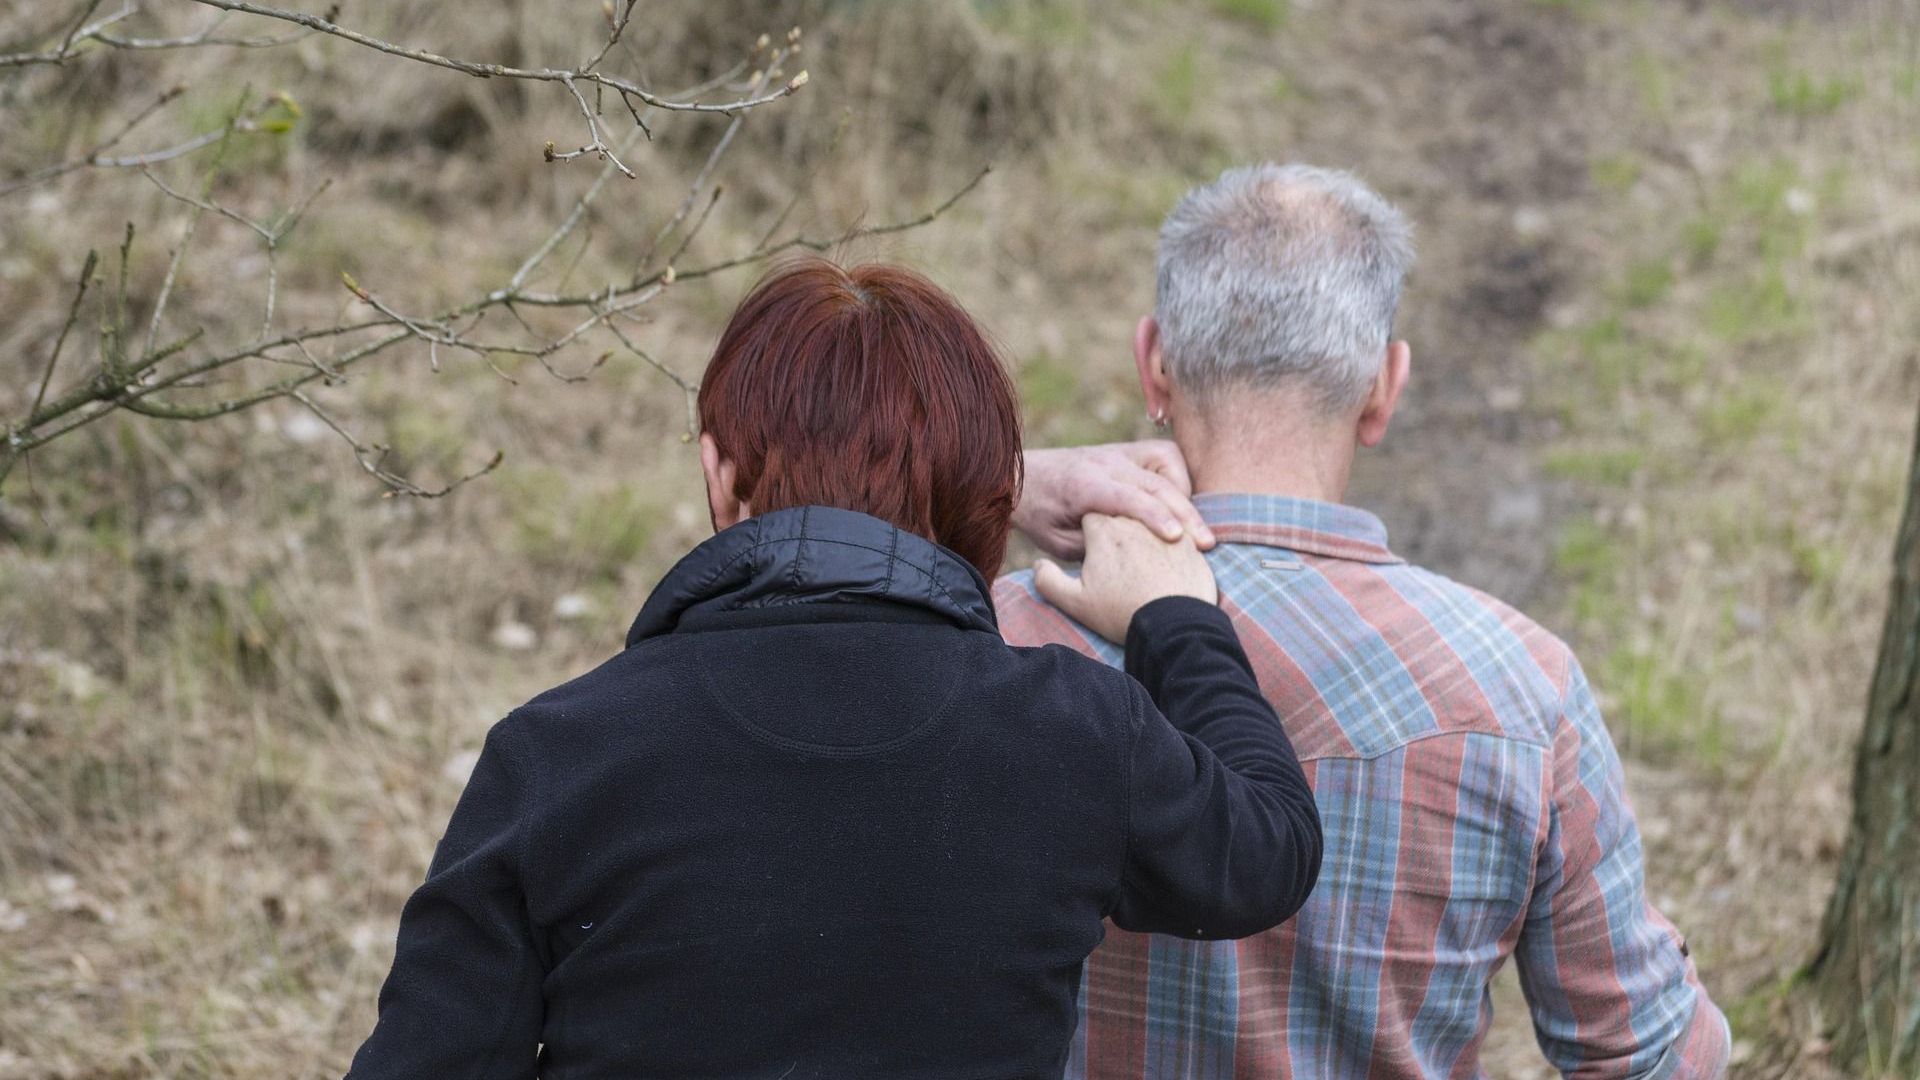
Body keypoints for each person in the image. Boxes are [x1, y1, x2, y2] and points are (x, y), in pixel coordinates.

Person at [343, 258, 1322, 1079]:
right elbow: (1270, 851)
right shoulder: (1071, 733)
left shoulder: (561, 753)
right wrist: (1176, 618)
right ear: (990, 496)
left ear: (720, 473)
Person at [998, 164, 1731, 1079]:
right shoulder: (1522, 689)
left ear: (1154, 364)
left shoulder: (994, 644)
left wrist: (1001, 483)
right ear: (1386, 387)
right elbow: (1656, 1053)